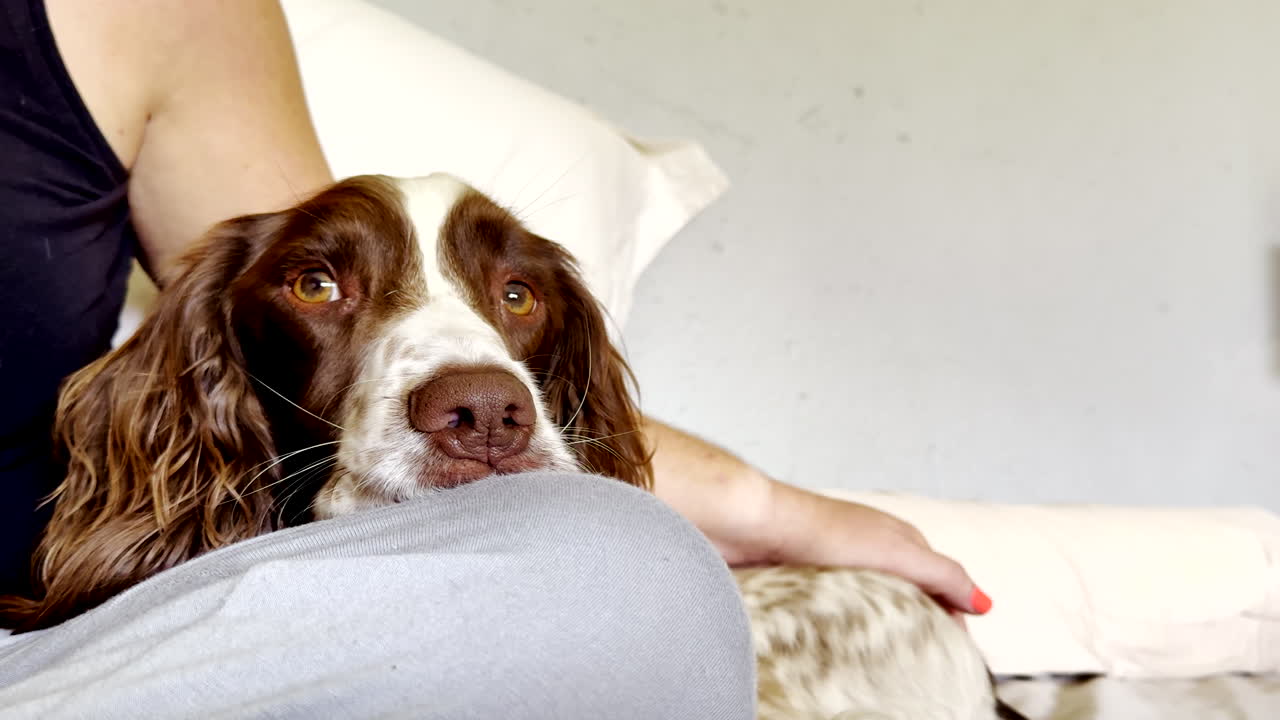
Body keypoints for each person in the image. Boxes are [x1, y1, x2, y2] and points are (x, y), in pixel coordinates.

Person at [0, 0, 989, 716]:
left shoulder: (153, 15)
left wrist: (767, 510)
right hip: (49, 656)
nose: (479, 398)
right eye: (320, 287)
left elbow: (335, 268)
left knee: (631, 568)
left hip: (122, 660)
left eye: (514, 300)